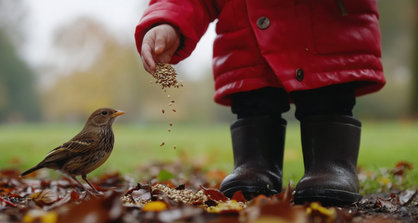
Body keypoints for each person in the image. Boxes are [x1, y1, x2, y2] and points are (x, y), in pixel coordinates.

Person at [135, 0, 385, 206]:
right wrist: (168, 20)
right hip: (246, 35)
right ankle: (255, 165)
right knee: (254, 97)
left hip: (326, 23)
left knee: (328, 94)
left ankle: (331, 165)